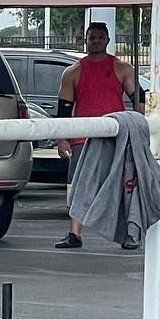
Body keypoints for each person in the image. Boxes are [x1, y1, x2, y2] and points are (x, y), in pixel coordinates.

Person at [54, 21, 140, 249]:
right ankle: (74, 233)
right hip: (83, 137)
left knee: (123, 185)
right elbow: (63, 110)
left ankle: (128, 233)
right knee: (79, 186)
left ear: (108, 40)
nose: (96, 41)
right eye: (92, 37)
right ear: (86, 40)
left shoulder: (122, 69)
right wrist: (62, 139)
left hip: (116, 136)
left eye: (100, 37)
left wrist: (142, 131)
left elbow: (139, 102)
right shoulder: (72, 72)